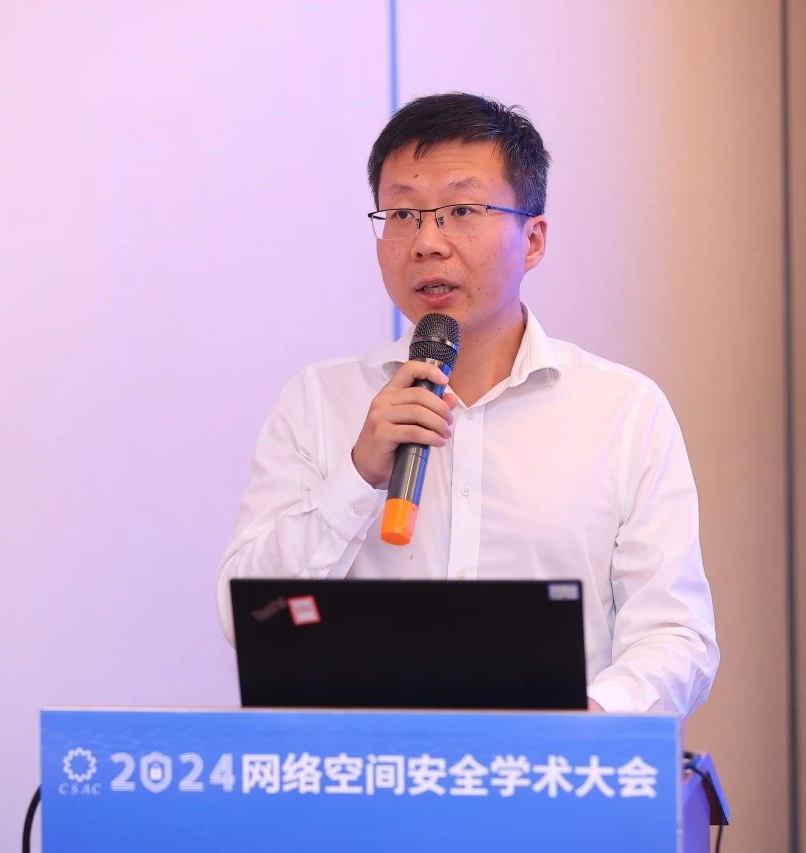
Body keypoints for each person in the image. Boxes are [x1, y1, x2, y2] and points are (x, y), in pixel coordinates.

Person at [215, 93, 718, 717]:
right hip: (370, 771)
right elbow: (249, 616)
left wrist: (588, 721)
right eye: (403, 214)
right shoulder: (318, 401)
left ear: (532, 239)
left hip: (549, 768)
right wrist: (358, 474)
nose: (427, 241)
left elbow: (676, 634)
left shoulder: (623, 411)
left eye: (461, 210)